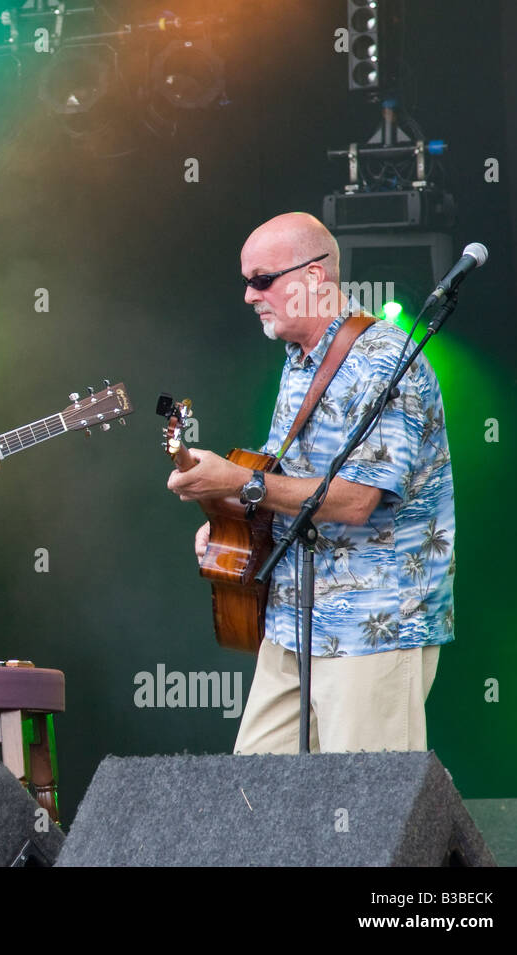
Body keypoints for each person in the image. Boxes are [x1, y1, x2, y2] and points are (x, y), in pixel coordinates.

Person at [166, 211, 454, 754]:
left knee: (371, 815)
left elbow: (357, 500)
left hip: (373, 624)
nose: (250, 296)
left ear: (314, 277)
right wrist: (229, 520)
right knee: (256, 797)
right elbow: (289, 487)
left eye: (262, 279)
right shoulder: (298, 363)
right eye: (246, 281)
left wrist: (244, 483)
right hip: (293, 618)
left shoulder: (384, 359)